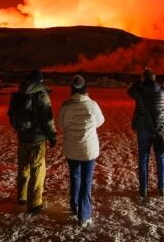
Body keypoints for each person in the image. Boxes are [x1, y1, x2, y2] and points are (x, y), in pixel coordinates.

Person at [58, 75, 105, 228]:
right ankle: (84, 216)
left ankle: (74, 205)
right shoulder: (92, 105)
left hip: (71, 149)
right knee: (86, 181)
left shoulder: (66, 106)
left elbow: (61, 124)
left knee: (75, 176)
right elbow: (100, 121)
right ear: (85, 89)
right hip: (88, 150)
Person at [7, 70, 57, 213]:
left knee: (23, 167)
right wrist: (52, 136)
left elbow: (12, 115)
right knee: (37, 170)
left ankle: (22, 196)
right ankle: (34, 203)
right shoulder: (42, 95)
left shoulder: (20, 93)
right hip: (37, 138)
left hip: (22, 137)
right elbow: (48, 119)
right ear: (40, 81)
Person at [128, 67, 164, 199]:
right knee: (161, 158)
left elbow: (130, 91)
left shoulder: (139, 91)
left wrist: (139, 81)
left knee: (143, 158)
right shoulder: (163, 91)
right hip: (160, 129)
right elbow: (163, 88)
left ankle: (143, 189)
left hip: (143, 129)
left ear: (144, 79)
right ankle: (162, 188)